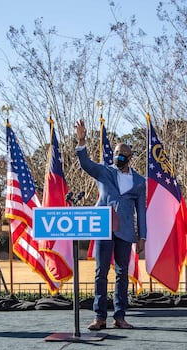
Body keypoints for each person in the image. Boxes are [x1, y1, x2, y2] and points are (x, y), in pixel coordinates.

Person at [74, 120, 146, 330]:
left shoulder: (139, 181)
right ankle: (100, 316)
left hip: (124, 232)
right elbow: (85, 163)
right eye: (116, 153)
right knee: (101, 272)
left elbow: (140, 210)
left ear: (130, 158)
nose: (118, 156)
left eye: (122, 154)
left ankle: (120, 316)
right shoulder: (104, 172)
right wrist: (81, 141)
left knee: (122, 273)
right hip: (103, 228)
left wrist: (142, 237)